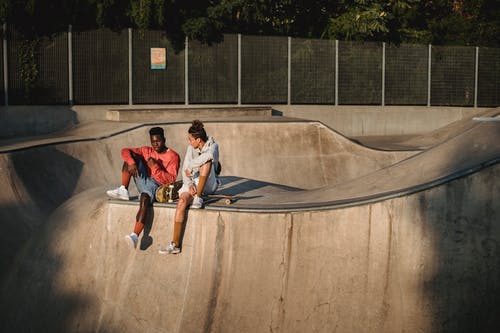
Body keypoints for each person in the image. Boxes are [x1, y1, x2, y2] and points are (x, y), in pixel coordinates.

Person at [106, 127, 180, 249]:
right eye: (153, 142)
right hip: (143, 179)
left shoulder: (173, 156)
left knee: (144, 198)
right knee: (130, 159)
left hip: (157, 186)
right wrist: (131, 162)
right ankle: (123, 189)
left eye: (158, 141)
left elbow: (171, 179)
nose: (155, 144)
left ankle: (135, 235)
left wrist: (155, 167)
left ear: (164, 139)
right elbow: (124, 151)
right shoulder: (147, 150)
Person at [159, 120, 220, 255]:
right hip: (194, 182)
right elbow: (184, 169)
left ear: (198, 140)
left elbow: (208, 156)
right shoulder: (190, 149)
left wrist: (192, 167)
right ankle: (175, 244)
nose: (189, 142)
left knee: (206, 162)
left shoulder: (213, 146)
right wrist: (190, 183)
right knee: (181, 202)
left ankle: (198, 197)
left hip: (209, 184)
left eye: (190, 140)